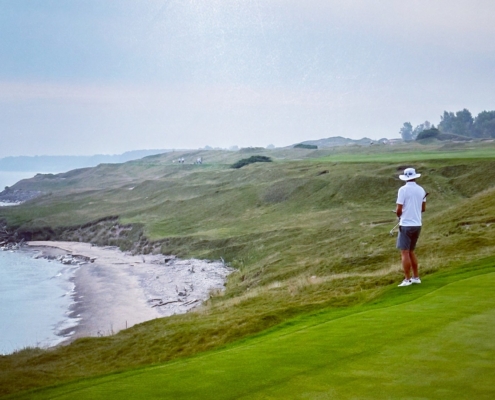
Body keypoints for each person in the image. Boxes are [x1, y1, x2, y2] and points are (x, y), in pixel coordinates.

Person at [395, 167, 427, 287]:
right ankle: (416, 277)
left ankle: (407, 279)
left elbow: (399, 209)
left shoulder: (402, 190)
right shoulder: (421, 190)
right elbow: (423, 209)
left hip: (406, 224)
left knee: (405, 252)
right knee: (411, 251)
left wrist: (398, 214)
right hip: (417, 224)